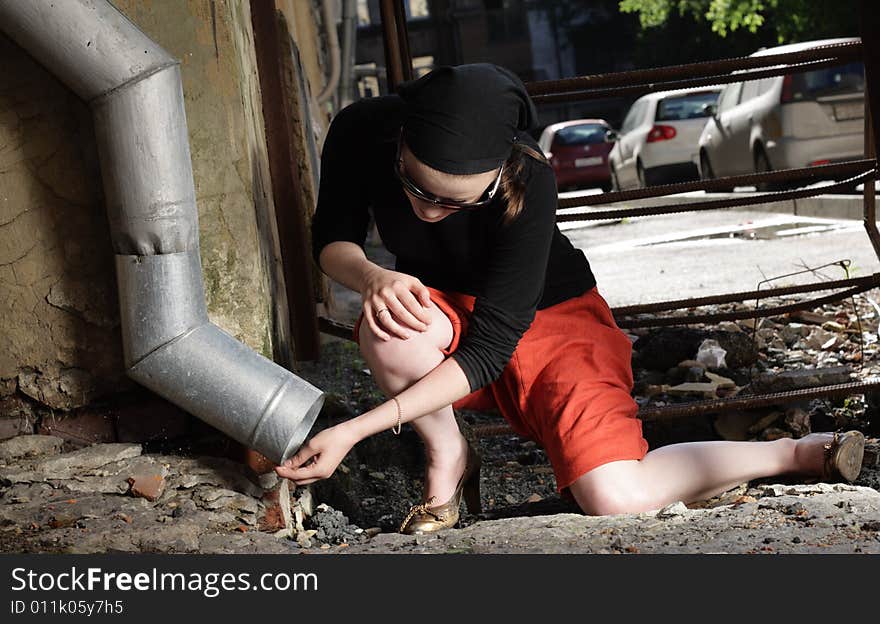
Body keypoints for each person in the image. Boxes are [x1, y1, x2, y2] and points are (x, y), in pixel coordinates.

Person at [275, 63, 866, 534]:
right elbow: (331, 240)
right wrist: (373, 276)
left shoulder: (532, 176)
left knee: (614, 497)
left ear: (502, 170)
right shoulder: (362, 128)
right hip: (444, 309)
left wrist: (355, 431)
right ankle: (447, 458)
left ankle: (796, 454)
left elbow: (487, 352)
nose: (429, 212)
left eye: (457, 204)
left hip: (553, 322)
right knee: (390, 323)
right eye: (415, 188)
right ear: (401, 139)